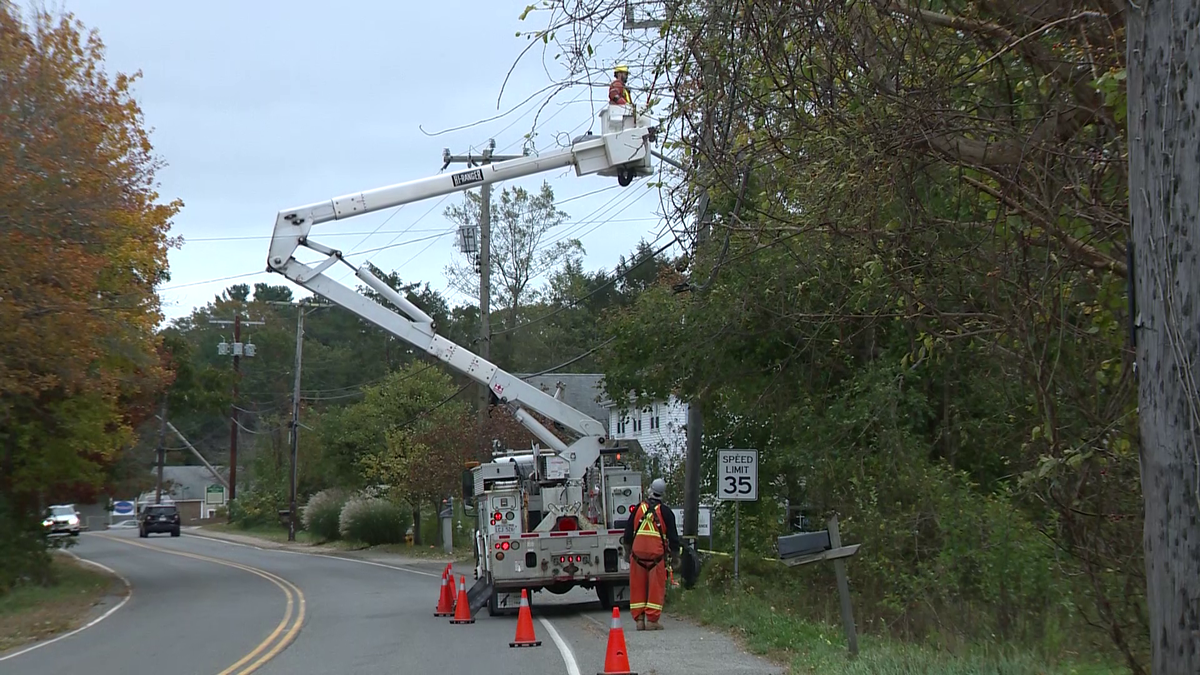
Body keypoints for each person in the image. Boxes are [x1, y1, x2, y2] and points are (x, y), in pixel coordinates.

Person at [622, 478, 681, 631]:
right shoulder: (666, 512)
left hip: (637, 556)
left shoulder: (638, 509)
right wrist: (675, 558)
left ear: (650, 490)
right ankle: (652, 620)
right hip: (656, 557)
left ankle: (639, 620)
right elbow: (674, 538)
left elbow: (627, 534)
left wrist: (627, 552)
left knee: (637, 587)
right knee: (656, 588)